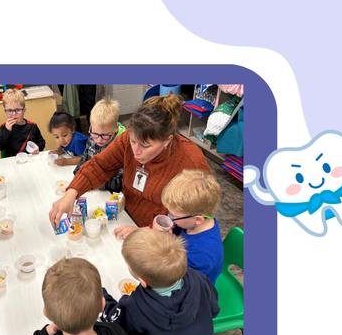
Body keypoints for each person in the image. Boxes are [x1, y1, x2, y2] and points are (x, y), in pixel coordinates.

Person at [48, 93, 213, 232]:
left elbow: (195, 218)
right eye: (133, 141)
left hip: (157, 235)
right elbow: (99, 165)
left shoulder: (191, 162)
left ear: (167, 141)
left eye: (145, 146)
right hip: (126, 217)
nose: (136, 151)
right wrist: (72, 193)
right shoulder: (127, 138)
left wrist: (145, 230)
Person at [102, 229, 219, 335]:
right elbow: (214, 309)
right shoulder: (198, 277)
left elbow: (117, 328)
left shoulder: (136, 305)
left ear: (142, 281)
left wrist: (104, 301)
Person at [160, 169, 224, 284]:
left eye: (173, 215)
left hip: (192, 287)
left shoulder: (202, 254)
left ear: (198, 219)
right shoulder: (194, 221)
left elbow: (178, 279)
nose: (170, 217)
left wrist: (166, 243)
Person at [74, 97, 125, 193]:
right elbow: (85, 158)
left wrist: (96, 182)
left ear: (115, 128)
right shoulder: (91, 139)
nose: (99, 139)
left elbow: (121, 182)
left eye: (105, 135)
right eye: (94, 133)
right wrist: (78, 173)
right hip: (92, 190)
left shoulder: (121, 149)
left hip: (109, 195)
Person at [0, 88, 46, 157]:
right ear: (5, 112)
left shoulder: (32, 126)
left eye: (18, 110)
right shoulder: (4, 127)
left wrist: (38, 147)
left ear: (24, 111)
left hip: (30, 159)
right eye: (10, 110)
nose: (14, 114)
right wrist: (7, 131)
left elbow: (42, 142)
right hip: (12, 162)